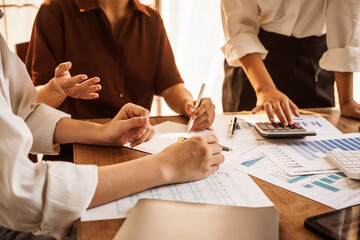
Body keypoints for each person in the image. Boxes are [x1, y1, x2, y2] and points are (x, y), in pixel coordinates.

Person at [0, 28, 224, 239]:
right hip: (53, 180)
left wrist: (103, 132)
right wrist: (165, 166)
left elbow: (22, 113)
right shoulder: (56, 11)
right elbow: (20, 191)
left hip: (118, 152)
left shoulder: (149, 20)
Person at [25, 0, 215, 132]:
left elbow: (171, 85)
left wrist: (189, 106)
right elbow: (34, 101)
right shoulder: (55, 11)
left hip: (136, 143)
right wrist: (59, 89)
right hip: (76, 146)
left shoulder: (151, 20)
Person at [221, 0, 360, 126]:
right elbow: (239, 29)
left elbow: (346, 19)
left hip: (312, 61)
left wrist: (346, 101)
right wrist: (264, 89)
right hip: (253, 63)